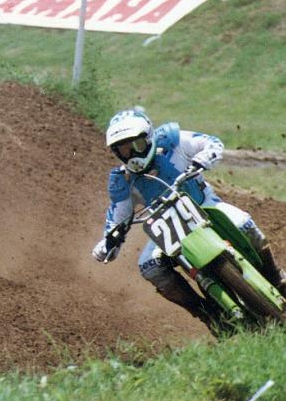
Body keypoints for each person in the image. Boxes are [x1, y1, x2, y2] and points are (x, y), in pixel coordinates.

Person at [91, 109, 286, 329]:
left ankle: (276, 276)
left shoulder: (172, 141)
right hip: (168, 228)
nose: (132, 155)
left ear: (148, 138)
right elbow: (119, 215)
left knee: (244, 224)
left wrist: (202, 161)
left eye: (136, 145)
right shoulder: (122, 180)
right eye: (123, 150)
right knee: (149, 266)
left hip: (205, 205)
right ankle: (207, 315)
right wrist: (110, 241)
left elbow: (211, 144)